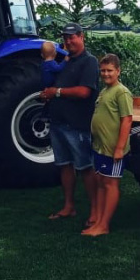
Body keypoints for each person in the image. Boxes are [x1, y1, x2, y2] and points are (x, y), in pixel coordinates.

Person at [39, 23, 100, 224]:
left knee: (85, 167)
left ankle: (95, 211)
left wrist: (56, 92)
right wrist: (47, 94)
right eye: (66, 37)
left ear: (82, 37)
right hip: (57, 123)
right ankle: (68, 207)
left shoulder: (89, 62)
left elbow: (84, 92)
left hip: (77, 125)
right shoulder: (63, 61)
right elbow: (55, 86)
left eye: (72, 37)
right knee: (64, 166)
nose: (68, 41)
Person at [83, 54, 133, 236]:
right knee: (101, 182)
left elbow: (127, 120)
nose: (105, 74)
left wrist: (119, 148)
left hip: (113, 149)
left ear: (118, 71)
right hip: (100, 147)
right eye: (103, 70)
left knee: (110, 184)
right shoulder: (104, 91)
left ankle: (104, 225)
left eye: (109, 70)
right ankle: (98, 221)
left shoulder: (122, 92)